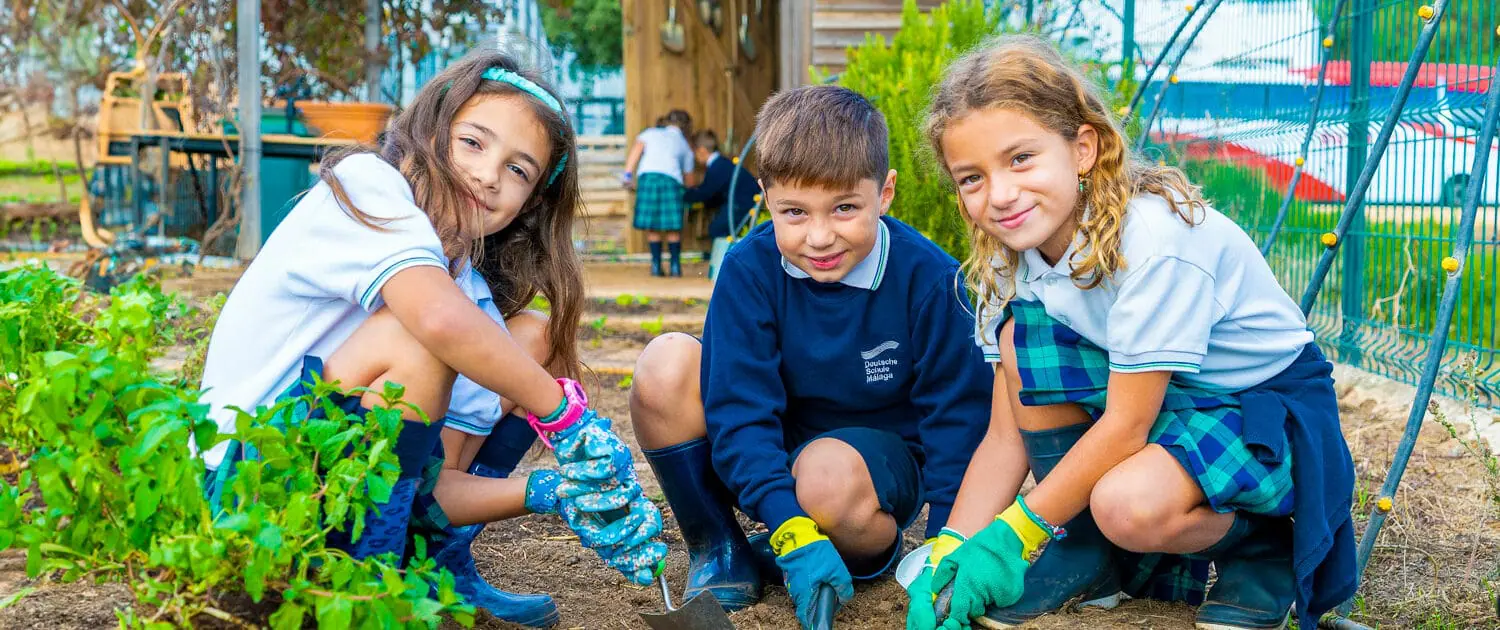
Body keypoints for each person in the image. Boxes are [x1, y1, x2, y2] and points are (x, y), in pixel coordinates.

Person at [194, 50, 666, 628]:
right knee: (422, 337)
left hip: (328, 491)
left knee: (530, 340)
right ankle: (373, 599)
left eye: (518, 170)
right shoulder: (366, 186)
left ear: (532, 201)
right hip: (245, 486)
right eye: (473, 142)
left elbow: (431, 491)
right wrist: (563, 416)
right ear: (429, 131)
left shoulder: (466, 291)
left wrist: (556, 491)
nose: (489, 174)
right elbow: (436, 321)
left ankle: (435, 570)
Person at [904, 34, 1356, 630]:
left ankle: (1260, 544)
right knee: (1020, 338)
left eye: (1020, 159)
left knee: (1126, 505)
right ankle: (1085, 556)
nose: (1000, 194)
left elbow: (1126, 425)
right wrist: (951, 545)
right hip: (1167, 400)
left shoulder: (1153, 240)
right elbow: (1004, 434)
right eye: (971, 178)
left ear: (1083, 148)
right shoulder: (1004, 258)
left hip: (1263, 413)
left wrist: (1013, 534)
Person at [628, 85, 993, 629]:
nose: (820, 237)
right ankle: (723, 550)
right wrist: (790, 526)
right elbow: (739, 411)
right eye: (794, 212)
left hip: (865, 470)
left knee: (824, 479)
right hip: (770, 454)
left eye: (845, 208)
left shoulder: (930, 278)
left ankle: (853, 549)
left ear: (885, 193)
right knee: (665, 362)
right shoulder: (749, 269)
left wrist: (944, 544)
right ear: (766, 196)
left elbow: (956, 419)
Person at [624, 110, 696, 277]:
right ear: (685, 127)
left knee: (653, 226)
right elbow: (690, 181)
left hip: (648, 178)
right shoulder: (684, 145)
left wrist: (627, 175)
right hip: (671, 181)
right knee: (673, 228)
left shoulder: (650, 133)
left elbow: (635, 152)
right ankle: (676, 267)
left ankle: (656, 267)